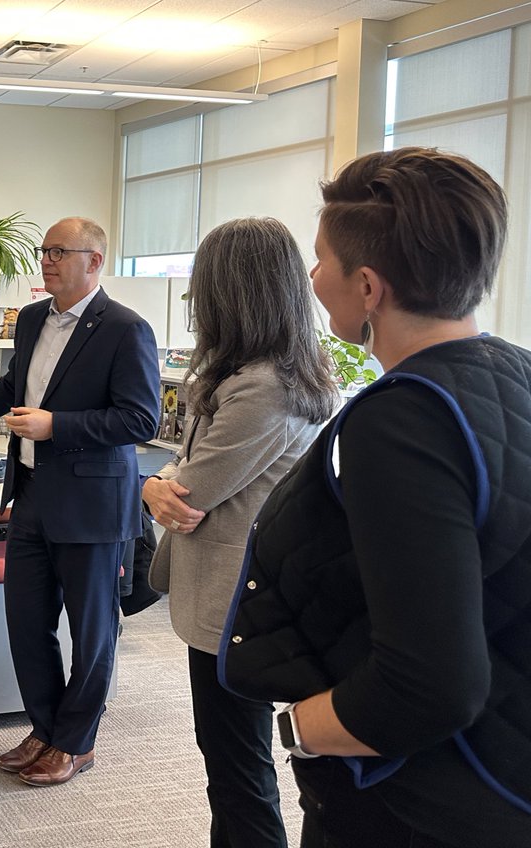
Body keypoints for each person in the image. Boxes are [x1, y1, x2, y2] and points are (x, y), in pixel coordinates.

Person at [220, 147, 531, 847]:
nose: (311, 277)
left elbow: (429, 685)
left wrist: (299, 729)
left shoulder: (401, 422)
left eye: (320, 259)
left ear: (368, 287)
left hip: (425, 802)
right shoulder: (515, 375)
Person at [0, 217, 159, 786]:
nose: (47, 261)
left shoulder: (126, 329)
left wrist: (58, 425)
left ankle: (76, 742)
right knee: (26, 623)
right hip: (29, 496)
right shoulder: (32, 319)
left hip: (92, 507)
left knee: (92, 632)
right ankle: (46, 728)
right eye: (44, 251)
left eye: (59, 252)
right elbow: (13, 389)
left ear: (94, 262)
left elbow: (140, 419)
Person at [143, 218, 338, 847]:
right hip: (232, 596)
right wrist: (155, 484)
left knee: (237, 767)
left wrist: (157, 486)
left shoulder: (264, 388)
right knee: (227, 761)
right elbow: (180, 467)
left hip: (238, 601)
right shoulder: (256, 374)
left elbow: (192, 490)